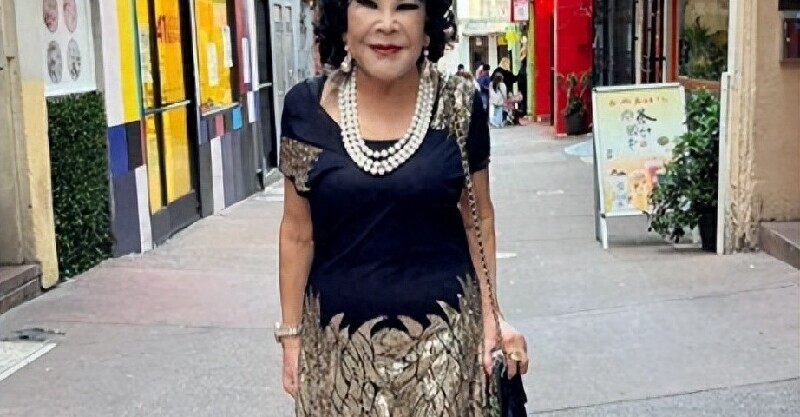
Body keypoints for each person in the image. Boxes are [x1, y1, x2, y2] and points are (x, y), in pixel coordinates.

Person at [277, 0, 530, 415]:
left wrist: (492, 316)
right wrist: (291, 338)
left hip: (447, 358)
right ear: (343, 24)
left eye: (405, 7)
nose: (387, 24)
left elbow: (478, 218)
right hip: (337, 364)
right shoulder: (304, 109)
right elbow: (297, 233)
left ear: (427, 26)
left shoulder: (460, 104)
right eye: (369, 5)